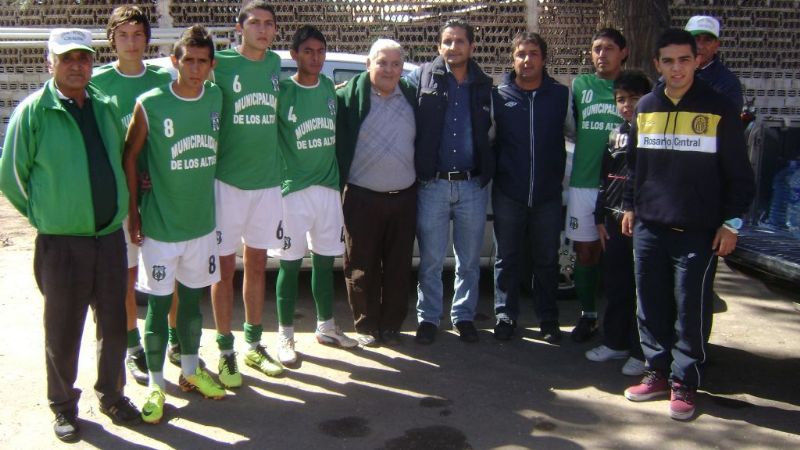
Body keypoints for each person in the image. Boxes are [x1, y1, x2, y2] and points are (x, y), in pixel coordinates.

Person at [0, 28, 141, 442]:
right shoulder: (34, 111)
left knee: (114, 324)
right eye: (67, 59)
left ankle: (112, 395)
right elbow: (12, 176)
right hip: (61, 244)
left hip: (109, 238)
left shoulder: (104, 105)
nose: (77, 65)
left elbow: (117, 160)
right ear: (51, 63)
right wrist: (47, 216)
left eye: (83, 58)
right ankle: (63, 405)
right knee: (63, 330)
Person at [621, 29, 754, 421]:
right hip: (649, 228)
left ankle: (684, 381)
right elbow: (634, 168)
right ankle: (657, 371)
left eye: (684, 60)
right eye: (668, 61)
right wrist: (630, 207)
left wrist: (730, 224)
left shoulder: (719, 108)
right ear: (657, 65)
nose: (676, 68)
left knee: (689, 311)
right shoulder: (645, 107)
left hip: (697, 230)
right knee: (650, 304)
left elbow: (740, 176)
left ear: (697, 60)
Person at [124, 25, 226, 424]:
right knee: (159, 306)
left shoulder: (216, 96)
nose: (196, 69)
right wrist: (134, 211)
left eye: (203, 61)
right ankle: (154, 383)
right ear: (175, 61)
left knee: (192, 307)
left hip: (201, 224)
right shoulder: (150, 103)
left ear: (211, 64)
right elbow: (129, 156)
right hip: (162, 228)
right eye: (189, 60)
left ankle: (188, 372)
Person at [92, 5, 173, 387]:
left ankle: (176, 343)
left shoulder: (161, 78)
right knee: (125, 278)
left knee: (168, 276)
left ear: (147, 39)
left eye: (138, 34)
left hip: (160, 196)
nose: (131, 42)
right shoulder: (98, 82)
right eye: (123, 35)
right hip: (121, 200)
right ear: (112, 40)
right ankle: (132, 346)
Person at [271, 25, 358, 366]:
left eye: (320, 51)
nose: (315, 57)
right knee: (289, 265)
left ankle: (327, 326)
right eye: (308, 51)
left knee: (325, 263)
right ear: (294, 55)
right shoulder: (281, 93)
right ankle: (285, 336)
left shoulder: (327, 88)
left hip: (327, 189)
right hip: (292, 190)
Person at [209, 0, 284, 388]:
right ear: (240, 28)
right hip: (227, 182)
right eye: (254, 23)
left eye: (268, 24)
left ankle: (254, 344)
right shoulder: (219, 63)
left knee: (257, 265)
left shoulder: (274, 65)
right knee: (223, 269)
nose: (262, 29)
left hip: (267, 183)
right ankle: (225, 351)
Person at [407, 18, 494, 345]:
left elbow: (493, 131)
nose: (453, 47)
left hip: (472, 185)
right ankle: (429, 318)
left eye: (460, 41)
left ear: (472, 47)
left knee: (469, 260)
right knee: (430, 260)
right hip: (434, 184)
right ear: (438, 47)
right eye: (447, 42)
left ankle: (464, 316)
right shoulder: (421, 78)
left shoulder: (483, 84)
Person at [491, 32, 573, 343]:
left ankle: (548, 319)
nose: (527, 60)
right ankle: (505, 315)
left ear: (543, 58)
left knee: (546, 259)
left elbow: (574, 134)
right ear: (513, 59)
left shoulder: (559, 96)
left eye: (533, 53)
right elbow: (489, 139)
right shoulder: (500, 96)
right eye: (521, 54)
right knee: (507, 258)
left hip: (547, 195)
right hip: (509, 192)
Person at [336, 38, 417, 347]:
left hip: (404, 197)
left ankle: (392, 324)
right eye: (382, 62)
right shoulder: (349, 98)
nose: (389, 69)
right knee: (361, 266)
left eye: (396, 63)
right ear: (368, 64)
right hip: (361, 196)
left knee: (398, 266)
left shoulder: (411, 96)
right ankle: (366, 325)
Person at [584, 70, 651, 376]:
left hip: (640, 222)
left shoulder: (652, 133)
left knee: (643, 290)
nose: (627, 105)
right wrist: (599, 217)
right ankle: (615, 342)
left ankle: (642, 351)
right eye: (621, 100)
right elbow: (605, 178)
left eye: (634, 99)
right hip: (612, 221)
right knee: (615, 284)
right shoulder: (616, 134)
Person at [566, 28, 628, 343]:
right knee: (585, 252)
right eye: (596, 48)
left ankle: (624, 325)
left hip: (619, 187)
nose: (601, 54)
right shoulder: (580, 86)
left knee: (618, 256)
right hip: (583, 183)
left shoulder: (632, 89)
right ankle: (588, 315)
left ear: (623, 52)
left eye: (609, 48)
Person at [685, 15, 743, 112]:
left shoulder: (728, 83)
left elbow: (730, 122)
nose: (700, 46)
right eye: (695, 38)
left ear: (716, 45)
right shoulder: (671, 76)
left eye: (707, 40)